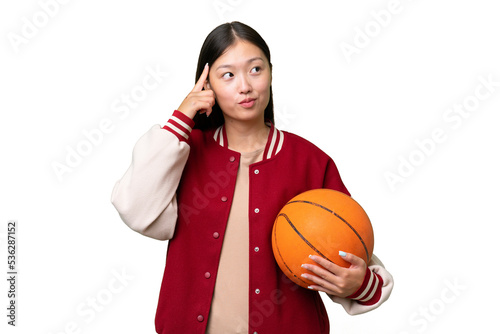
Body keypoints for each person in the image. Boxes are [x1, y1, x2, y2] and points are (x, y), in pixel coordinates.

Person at [111, 21, 393, 334]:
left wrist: (359, 283)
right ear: (207, 86)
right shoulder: (183, 152)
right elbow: (134, 207)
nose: (245, 85)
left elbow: (352, 250)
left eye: (255, 69)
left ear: (271, 74)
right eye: (227, 75)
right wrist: (181, 119)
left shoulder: (310, 161)